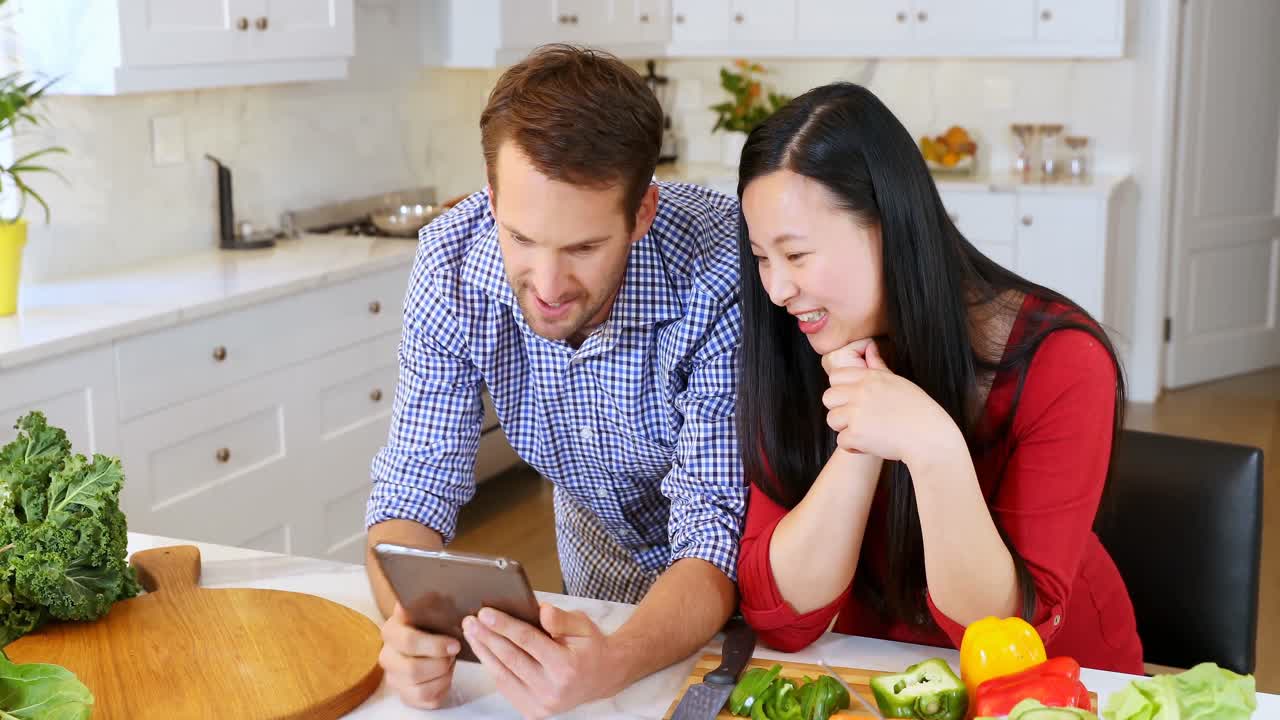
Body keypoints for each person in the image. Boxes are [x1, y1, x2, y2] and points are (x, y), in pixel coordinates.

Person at [363, 45, 746, 716]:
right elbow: (413, 487)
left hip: (742, 561)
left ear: (642, 213)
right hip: (595, 527)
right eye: (521, 238)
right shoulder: (449, 263)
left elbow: (714, 526)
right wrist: (407, 626)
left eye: (583, 248)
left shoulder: (719, 270)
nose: (546, 286)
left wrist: (617, 661)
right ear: (492, 199)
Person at [733, 82, 1143, 673]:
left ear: (891, 227)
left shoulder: (1062, 359)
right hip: (879, 674)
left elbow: (1001, 636)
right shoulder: (792, 343)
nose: (776, 289)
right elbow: (782, 617)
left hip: (1055, 682)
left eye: (796, 255)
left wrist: (934, 449)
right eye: (761, 258)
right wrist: (858, 442)